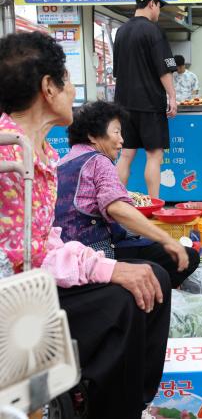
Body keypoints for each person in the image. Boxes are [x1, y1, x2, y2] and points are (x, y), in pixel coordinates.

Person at [0, 32, 171, 418]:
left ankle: (131, 403)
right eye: (68, 80)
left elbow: (45, 240)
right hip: (16, 300)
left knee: (153, 279)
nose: (73, 91)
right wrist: (108, 267)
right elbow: (24, 255)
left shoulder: (41, 150)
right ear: (48, 88)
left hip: (37, 282)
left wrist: (107, 267)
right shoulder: (8, 150)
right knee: (122, 304)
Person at [54, 100, 199, 288]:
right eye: (116, 132)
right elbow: (117, 208)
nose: (122, 140)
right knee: (188, 256)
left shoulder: (60, 163)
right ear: (92, 136)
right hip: (97, 255)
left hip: (64, 259)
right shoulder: (98, 160)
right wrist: (167, 239)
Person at [113, 0, 177, 199]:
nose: (159, 12)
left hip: (123, 104)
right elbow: (164, 69)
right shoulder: (154, 31)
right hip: (150, 103)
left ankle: (116, 203)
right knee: (154, 156)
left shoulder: (120, 32)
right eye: (159, 6)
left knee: (126, 155)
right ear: (152, 4)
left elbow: (117, 71)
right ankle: (154, 203)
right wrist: (173, 97)